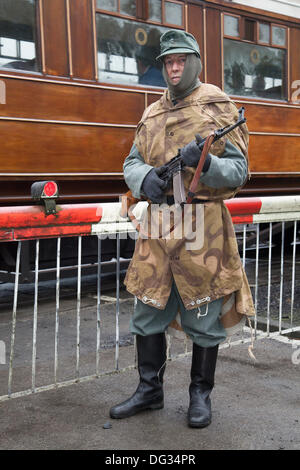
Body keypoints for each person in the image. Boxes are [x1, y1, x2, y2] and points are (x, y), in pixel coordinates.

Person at [110, 30, 255, 428]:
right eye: (168, 63)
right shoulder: (151, 111)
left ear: (193, 62)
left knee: (203, 317)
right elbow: (131, 160)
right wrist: (144, 181)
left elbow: (240, 172)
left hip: (202, 227)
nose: (174, 69)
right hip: (157, 227)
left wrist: (205, 163)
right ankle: (149, 391)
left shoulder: (218, 107)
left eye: (180, 61)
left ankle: (199, 397)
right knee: (147, 311)